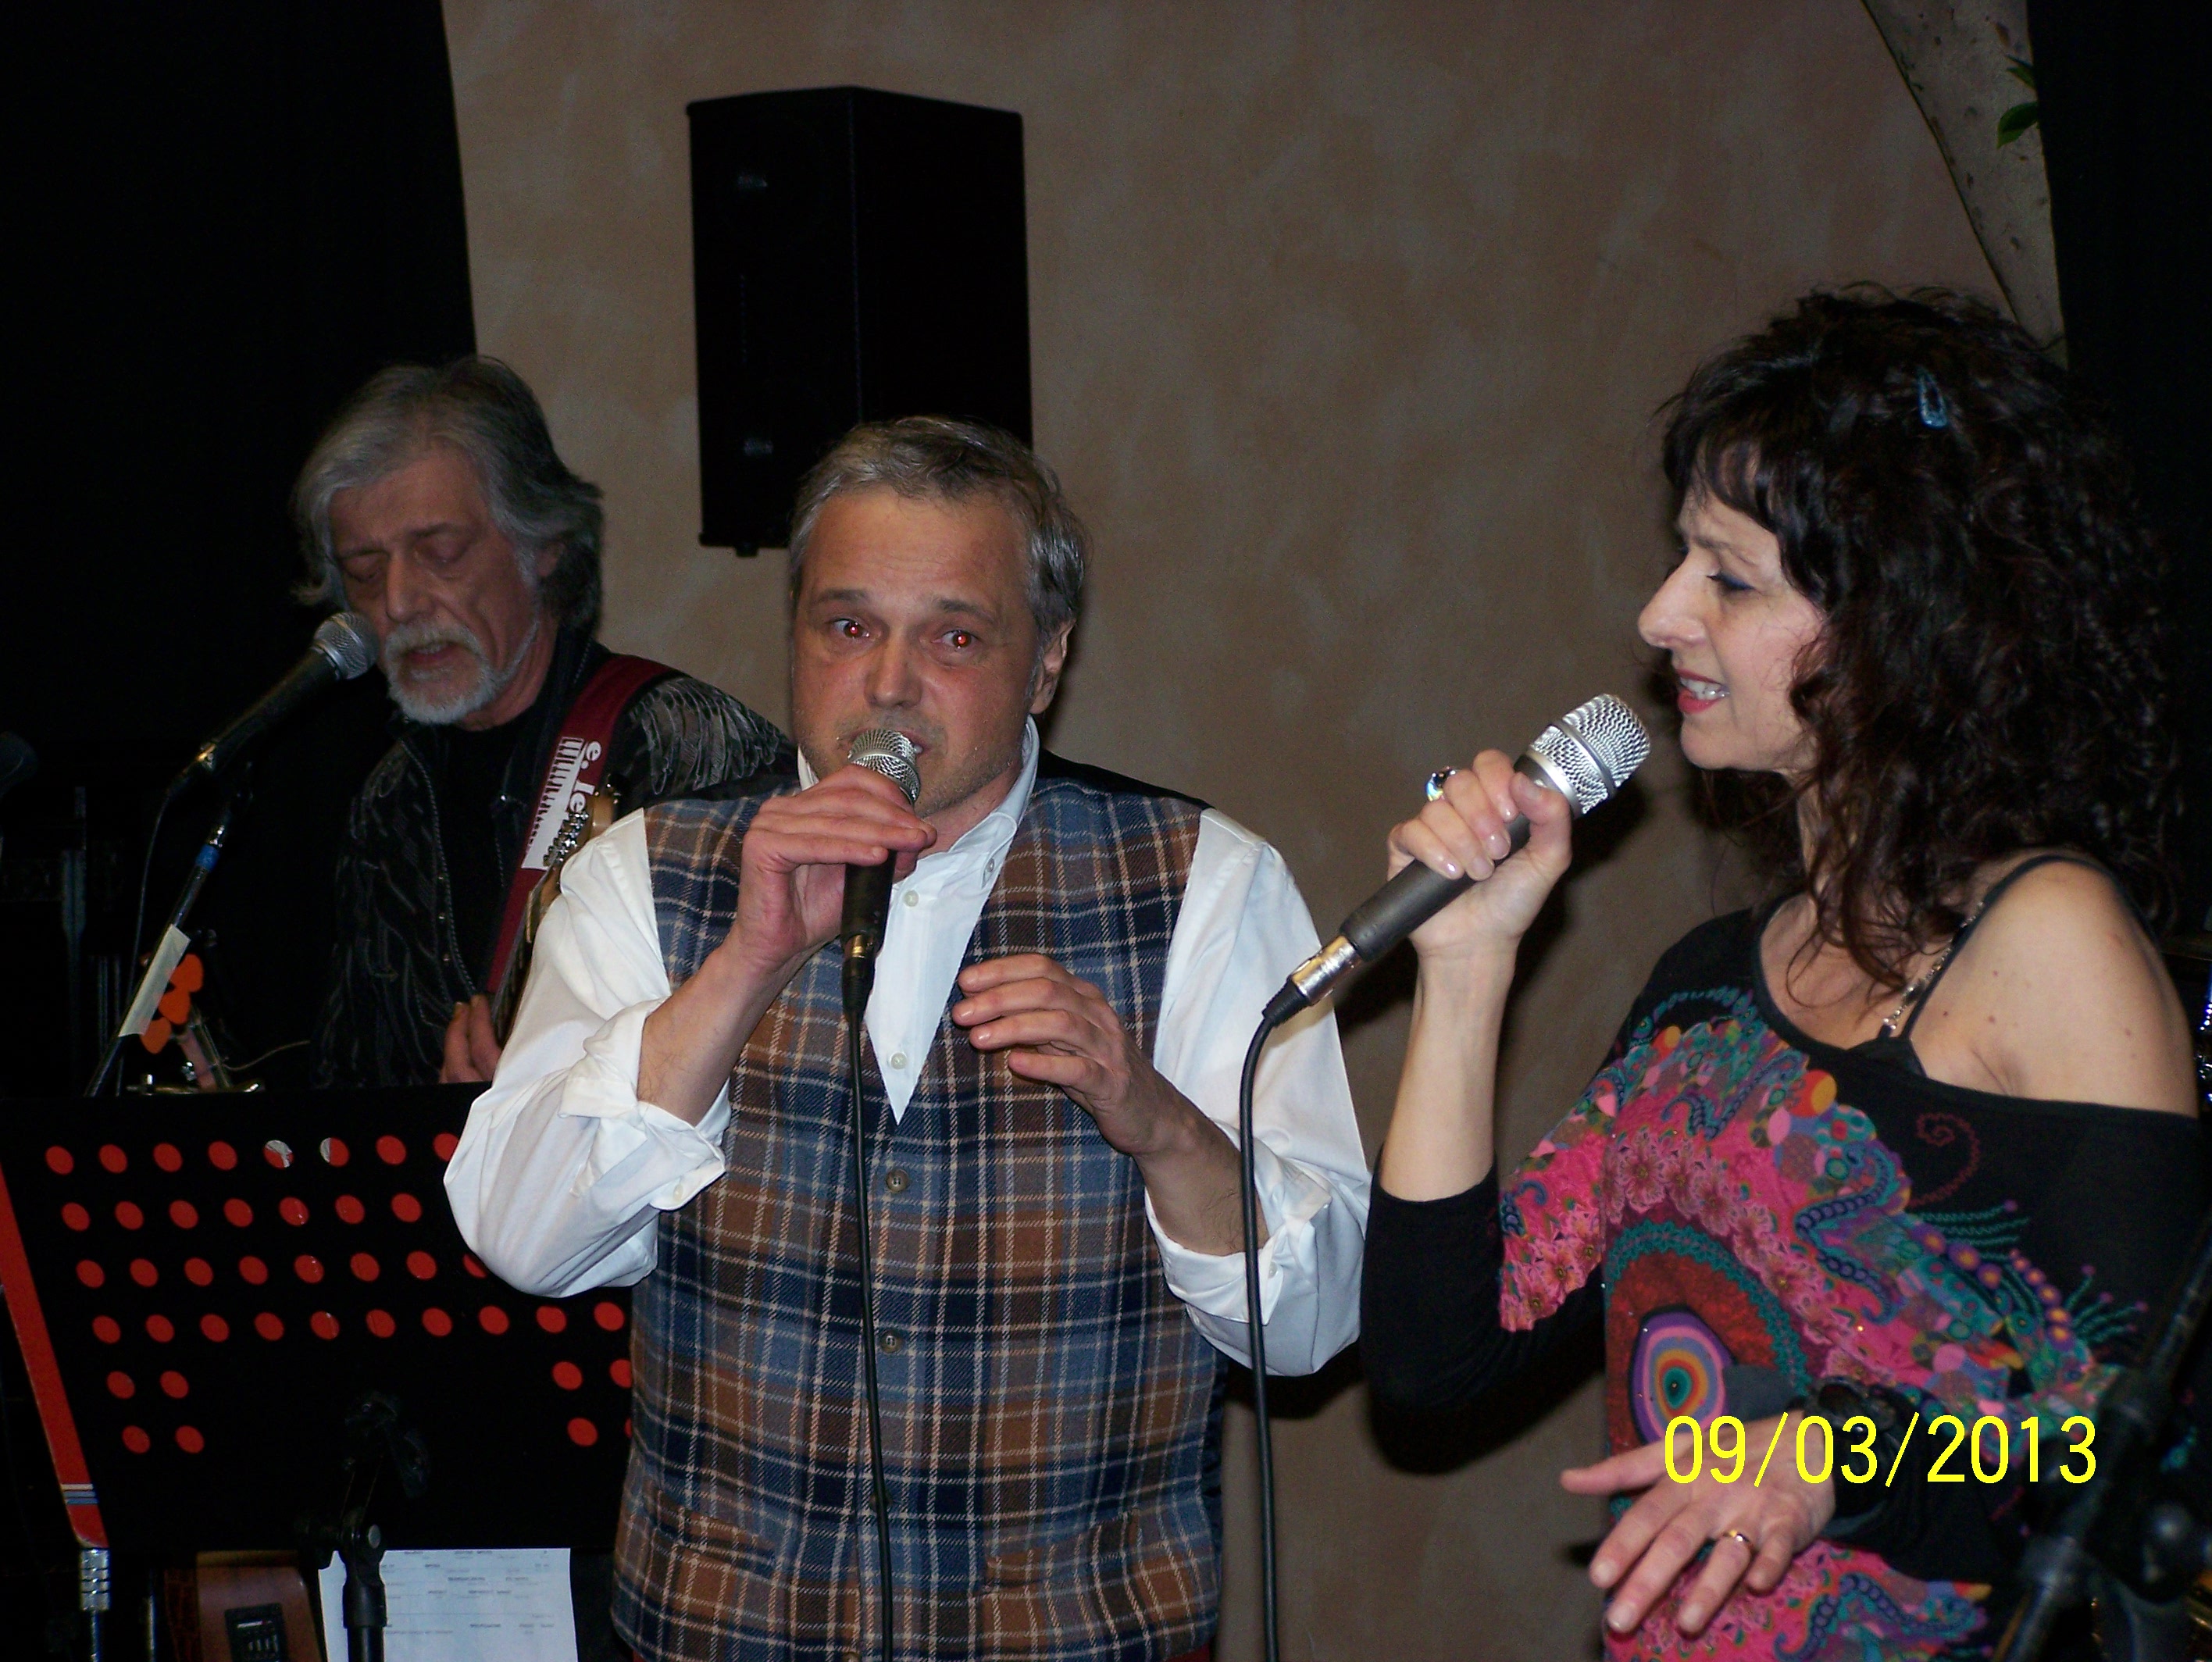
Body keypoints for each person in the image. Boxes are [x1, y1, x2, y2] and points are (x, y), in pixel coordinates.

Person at [1360, 289, 2204, 1658]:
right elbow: (1432, 1360)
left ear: (1902, 625)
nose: (1659, 614)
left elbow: (2146, 1465)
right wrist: (1466, 969)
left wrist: (1838, 1455)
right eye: (1680, 561)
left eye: (1729, 577)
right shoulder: (1707, 985)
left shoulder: (2051, 944)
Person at [445, 416, 1369, 1661]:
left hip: (1073, 1633)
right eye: (847, 627)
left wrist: (1159, 1122)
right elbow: (522, 1241)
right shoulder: (638, 877)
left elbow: (1310, 1327)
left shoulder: (1207, 883)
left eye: (953, 636)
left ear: (1047, 660)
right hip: (726, 1630)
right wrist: (743, 966)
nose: (887, 685)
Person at [298, 357, 786, 1090]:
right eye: (365, 571)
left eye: (440, 553)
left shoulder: (687, 748)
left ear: (545, 543)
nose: (397, 602)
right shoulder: (389, 805)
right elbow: (355, 1084)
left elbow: (785, 1054)